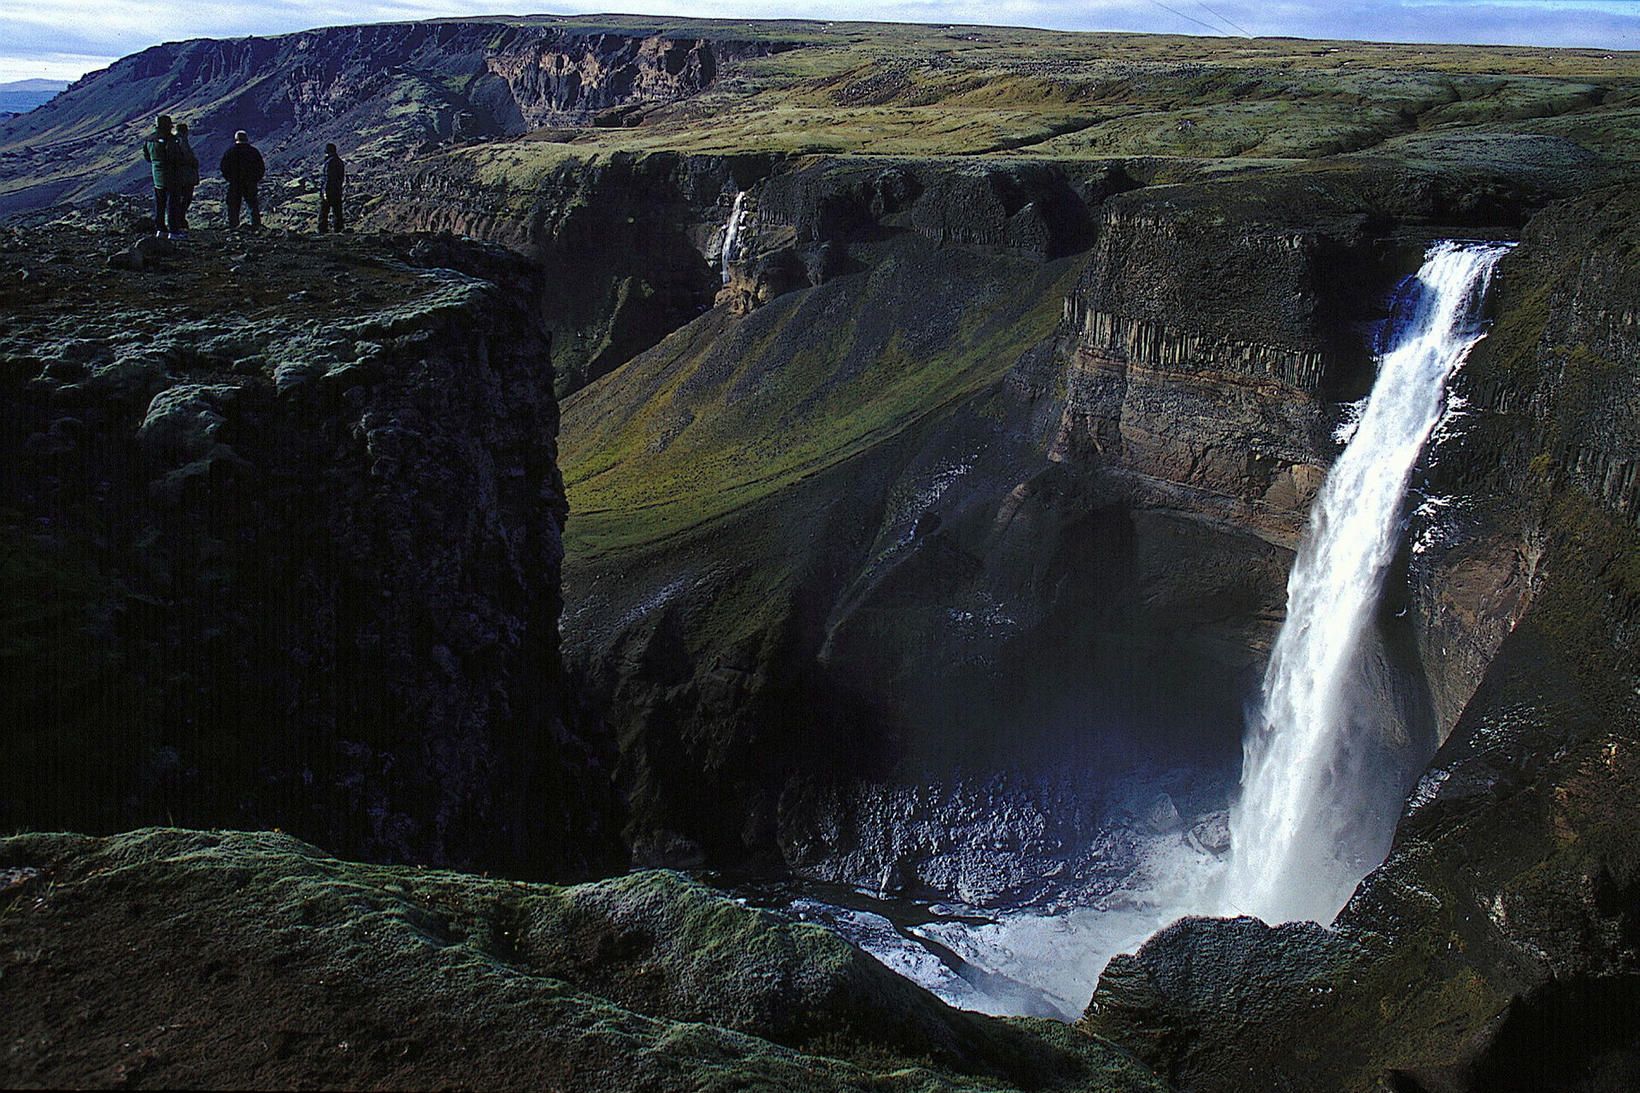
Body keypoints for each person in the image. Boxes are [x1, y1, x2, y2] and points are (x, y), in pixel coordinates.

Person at [140, 114, 184, 239]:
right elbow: (175, 157)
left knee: (160, 204)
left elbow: (147, 158)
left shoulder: (149, 140)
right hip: (172, 176)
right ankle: (173, 231)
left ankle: (160, 229)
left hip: (157, 177)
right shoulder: (170, 140)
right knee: (173, 204)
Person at [219, 130, 265, 231]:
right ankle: (256, 225)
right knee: (252, 204)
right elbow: (261, 167)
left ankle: (233, 225)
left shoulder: (230, 152)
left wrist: (230, 179)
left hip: (235, 183)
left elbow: (224, 167)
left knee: (233, 204)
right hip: (250, 182)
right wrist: (255, 179)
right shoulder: (253, 152)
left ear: (236, 139)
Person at [172, 122, 200, 237]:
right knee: (185, 199)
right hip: (186, 177)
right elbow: (188, 158)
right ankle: (180, 221)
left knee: (179, 199)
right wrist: (194, 163)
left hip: (178, 177)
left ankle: (178, 221)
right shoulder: (182, 141)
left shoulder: (174, 140)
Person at [318, 143, 345, 234]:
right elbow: (341, 177)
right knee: (337, 211)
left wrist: (325, 191)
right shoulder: (339, 162)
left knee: (324, 211)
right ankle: (338, 229)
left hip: (329, 190)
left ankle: (322, 230)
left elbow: (327, 177)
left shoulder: (329, 163)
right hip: (337, 190)